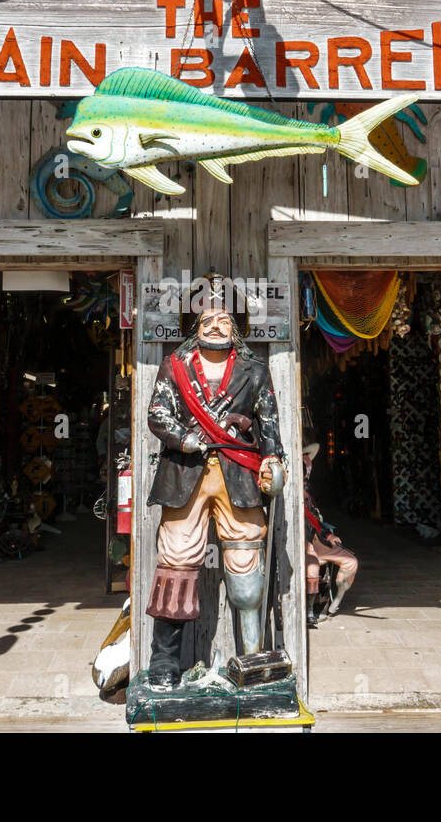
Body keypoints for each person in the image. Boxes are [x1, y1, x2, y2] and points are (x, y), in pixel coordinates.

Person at [144, 279, 286, 688]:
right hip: (185, 473)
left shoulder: (254, 372)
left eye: (224, 319)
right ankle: (165, 664)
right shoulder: (174, 367)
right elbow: (158, 413)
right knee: (175, 564)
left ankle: (253, 658)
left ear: (235, 327)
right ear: (195, 325)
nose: (216, 326)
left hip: (238, 475)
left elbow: (269, 425)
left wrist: (273, 459)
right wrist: (186, 439)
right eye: (208, 319)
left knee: (246, 568)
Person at [302, 434, 358, 624]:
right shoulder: (291, 490)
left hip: (317, 540)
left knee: (350, 561)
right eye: (304, 463)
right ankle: (309, 610)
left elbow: (315, 519)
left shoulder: (308, 492)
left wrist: (329, 534)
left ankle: (337, 601)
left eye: (308, 463)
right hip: (301, 542)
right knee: (311, 565)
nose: (308, 466)